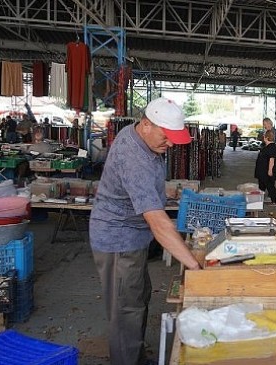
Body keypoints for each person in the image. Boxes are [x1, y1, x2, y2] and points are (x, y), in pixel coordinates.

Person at [89, 97, 201, 365]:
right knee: (125, 310)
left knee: (137, 298)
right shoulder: (132, 157)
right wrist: (194, 265)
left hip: (134, 236)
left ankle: (135, 357)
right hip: (119, 240)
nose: (171, 144)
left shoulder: (142, 138)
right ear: (147, 124)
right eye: (167, 136)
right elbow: (157, 222)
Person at [255, 129, 276, 206]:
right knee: (261, 185)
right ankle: (259, 199)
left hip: (266, 171)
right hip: (262, 171)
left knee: (270, 186)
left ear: (266, 137)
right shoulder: (268, 146)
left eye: (264, 136)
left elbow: (271, 160)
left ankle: (275, 201)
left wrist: (270, 170)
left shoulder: (272, 147)